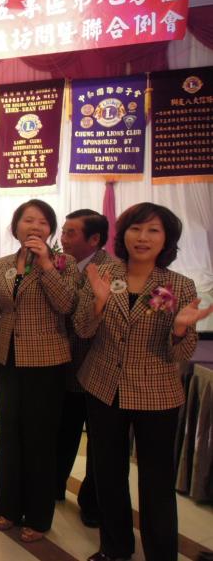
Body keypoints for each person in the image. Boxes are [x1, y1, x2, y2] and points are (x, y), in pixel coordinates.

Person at [74, 203, 211, 561]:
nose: (143, 237)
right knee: (108, 474)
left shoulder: (178, 285)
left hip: (156, 394)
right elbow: (83, 329)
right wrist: (98, 303)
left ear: (166, 239)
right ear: (124, 234)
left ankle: (161, 554)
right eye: (136, 228)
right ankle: (115, 548)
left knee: (156, 482)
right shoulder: (104, 274)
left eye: (153, 230)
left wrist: (179, 328)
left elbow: (181, 353)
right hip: (103, 385)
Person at [0, 199, 77, 542]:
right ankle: (7, 507)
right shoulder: (2, 265)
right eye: (28, 220)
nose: (34, 226)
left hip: (48, 360)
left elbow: (67, 305)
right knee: (9, 433)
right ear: (15, 226)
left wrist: (47, 264)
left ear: (50, 230)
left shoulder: (64, 263)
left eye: (42, 222)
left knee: (40, 437)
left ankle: (38, 514)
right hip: (8, 358)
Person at [55, 209, 113, 527]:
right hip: (63, 366)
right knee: (62, 432)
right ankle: (53, 486)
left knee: (100, 442)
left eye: (71, 233)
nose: (63, 238)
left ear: (94, 239)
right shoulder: (59, 264)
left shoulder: (111, 271)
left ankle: (92, 502)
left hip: (97, 368)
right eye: (63, 231)